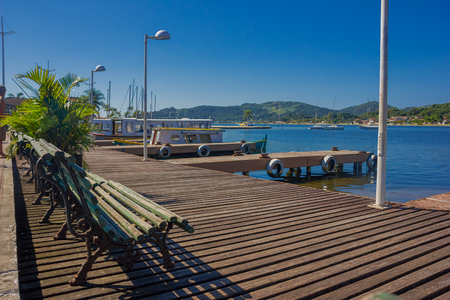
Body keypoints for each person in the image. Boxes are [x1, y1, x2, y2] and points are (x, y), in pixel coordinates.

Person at [0, 85, 7, 157]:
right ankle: (1, 152)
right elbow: (2, 113)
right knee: (0, 137)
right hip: (1, 120)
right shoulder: (1, 99)